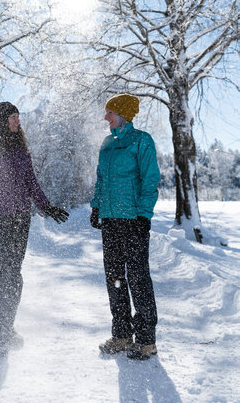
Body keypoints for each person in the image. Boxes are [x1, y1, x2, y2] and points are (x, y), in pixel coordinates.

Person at [0, 101, 69, 356]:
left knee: (14, 274)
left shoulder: (20, 147)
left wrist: (46, 206)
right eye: (14, 117)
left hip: (20, 218)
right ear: (2, 120)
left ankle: (7, 327)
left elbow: (31, 181)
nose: (18, 121)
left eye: (18, 117)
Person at [90, 94, 160, 360]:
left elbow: (150, 178)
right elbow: (101, 178)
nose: (106, 117)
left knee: (139, 278)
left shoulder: (142, 140)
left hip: (133, 220)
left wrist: (144, 214)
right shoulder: (107, 143)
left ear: (123, 114)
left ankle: (145, 340)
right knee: (115, 277)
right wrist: (97, 206)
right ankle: (121, 335)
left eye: (110, 112)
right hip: (110, 220)